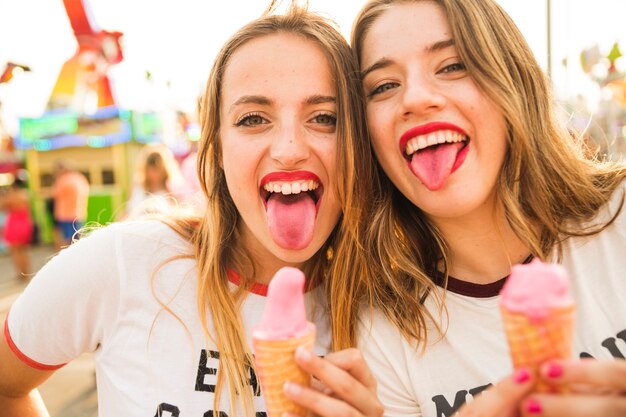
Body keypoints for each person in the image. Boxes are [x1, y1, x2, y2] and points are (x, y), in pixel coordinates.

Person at [0, 4, 382, 417]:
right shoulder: (123, 264)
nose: (289, 149)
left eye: (324, 117)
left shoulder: (395, 312)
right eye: (253, 118)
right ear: (215, 150)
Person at [350, 1, 626, 416]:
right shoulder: (384, 332)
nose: (416, 98)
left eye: (452, 65)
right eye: (383, 86)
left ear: (511, 79)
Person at [125, 144, 185, 218]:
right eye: (150, 170)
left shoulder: (172, 189)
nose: (153, 174)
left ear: (164, 170)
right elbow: (127, 211)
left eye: (156, 170)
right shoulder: (137, 188)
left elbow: (179, 214)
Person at [0, 172, 34, 279]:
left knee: (15, 251)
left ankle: (20, 273)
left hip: (14, 224)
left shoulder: (11, 196)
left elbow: (2, 207)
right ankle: (27, 272)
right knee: (23, 250)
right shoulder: (26, 194)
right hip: (25, 223)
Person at [52, 159, 90, 248]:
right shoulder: (80, 178)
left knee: (69, 240)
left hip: (65, 214)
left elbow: (55, 194)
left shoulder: (63, 180)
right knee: (78, 238)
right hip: (80, 212)